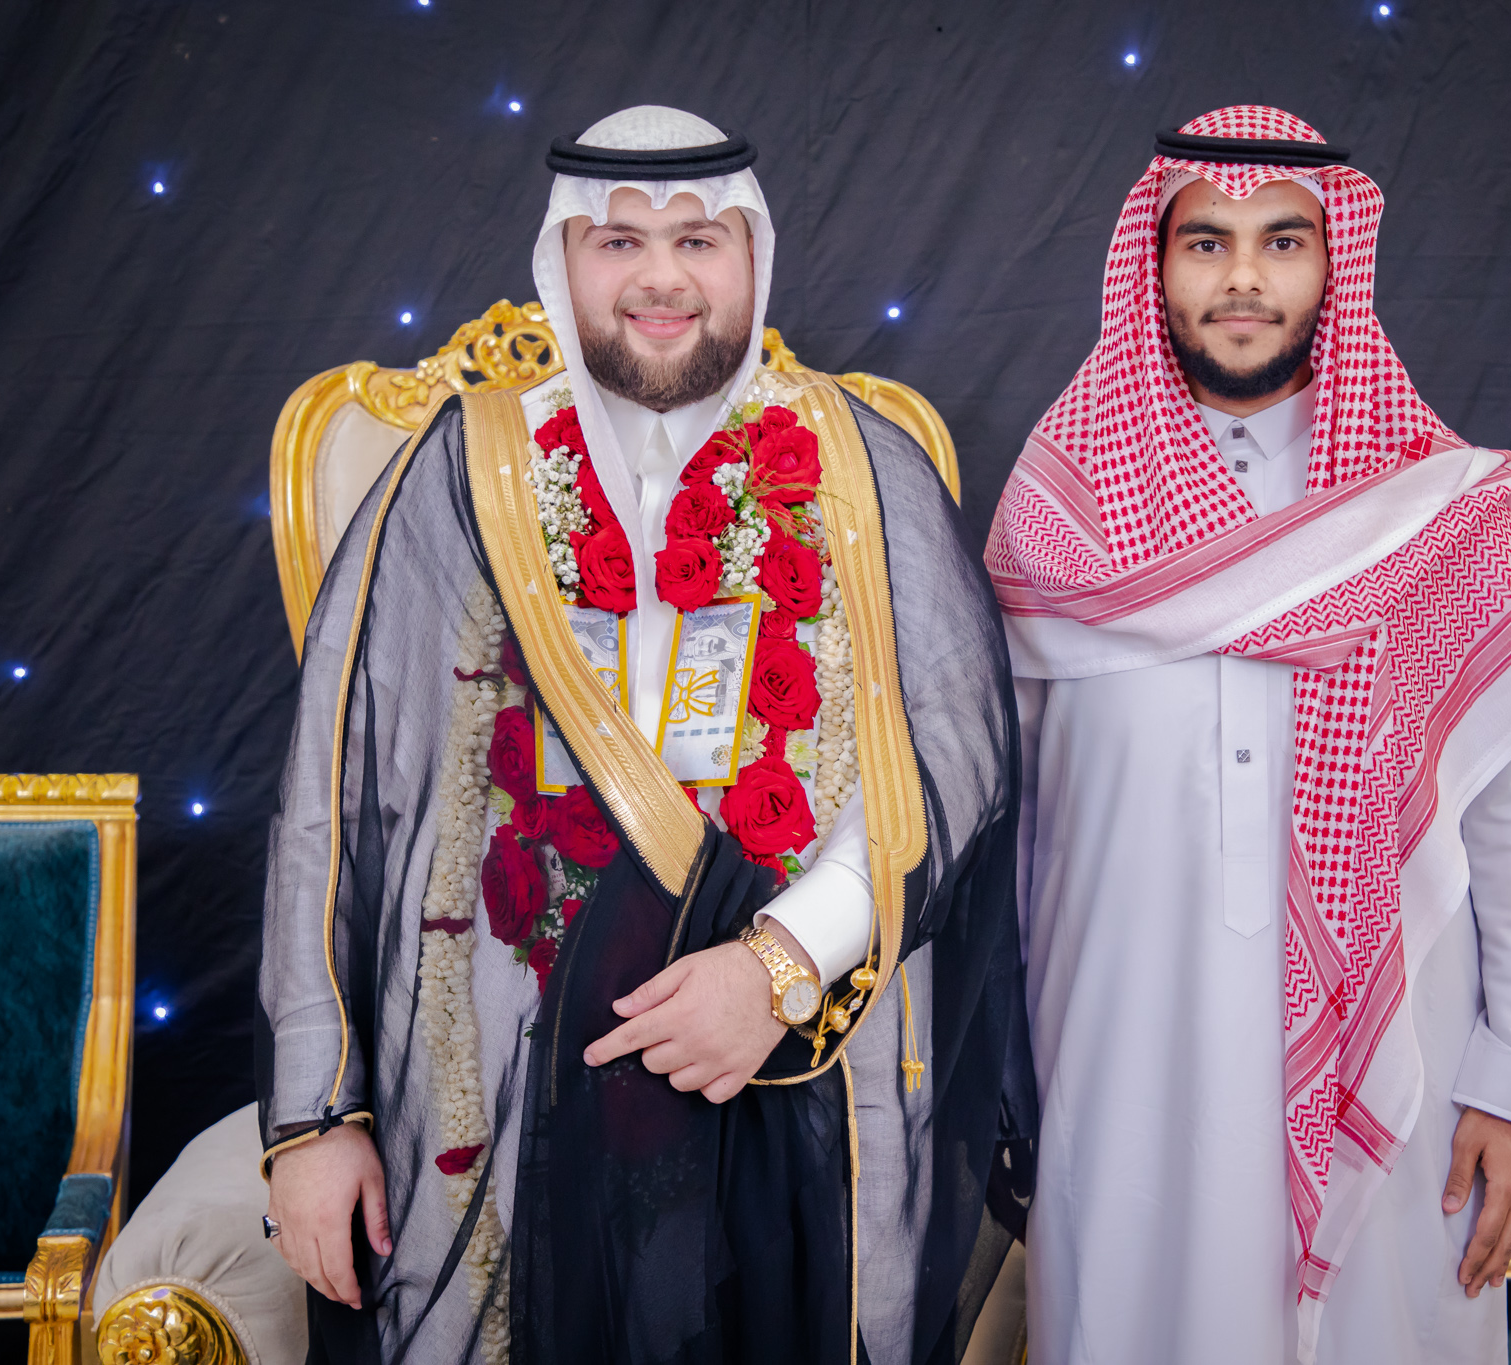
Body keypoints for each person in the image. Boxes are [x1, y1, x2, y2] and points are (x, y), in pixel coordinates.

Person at [258, 105, 1030, 1365]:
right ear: (561, 261)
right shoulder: (460, 474)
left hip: (797, 1059)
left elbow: (952, 762)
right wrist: (314, 1116)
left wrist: (778, 966)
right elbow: (332, 806)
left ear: (751, 257)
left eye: (697, 240)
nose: (660, 277)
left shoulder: (861, 466)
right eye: (618, 241)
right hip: (505, 1072)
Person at [986, 105, 1511, 1364]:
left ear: (1335, 264)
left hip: (1399, 1061)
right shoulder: (1060, 508)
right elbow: (1005, 814)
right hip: (1117, 1052)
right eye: (1205, 243)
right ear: (1154, 265)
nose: (1243, 279)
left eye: (1282, 241)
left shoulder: (1430, 513)